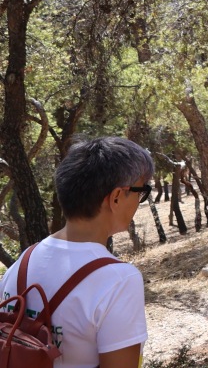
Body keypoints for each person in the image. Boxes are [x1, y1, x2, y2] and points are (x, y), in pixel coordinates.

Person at [0, 137, 151, 368]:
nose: (140, 202)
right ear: (117, 197)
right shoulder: (119, 279)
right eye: (142, 192)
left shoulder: (23, 261)